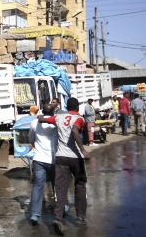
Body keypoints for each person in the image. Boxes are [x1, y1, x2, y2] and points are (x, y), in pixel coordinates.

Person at [38, 97, 90, 236]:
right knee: (80, 185)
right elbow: (74, 130)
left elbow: (42, 119)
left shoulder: (59, 117)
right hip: (76, 158)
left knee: (61, 189)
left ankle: (58, 218)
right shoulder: (79, 118)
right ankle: (81, 217)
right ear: (77, 107)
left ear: (67, 107)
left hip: (61, 157)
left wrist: (42, 112)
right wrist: (83, 150)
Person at [28, 104, 57, 225]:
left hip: (39, 159)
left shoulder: (34, 123)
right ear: (53, 112)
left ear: (42, 111)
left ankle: (34, 215)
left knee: (37, 187)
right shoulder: (56, 123)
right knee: (58, 185)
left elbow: (31, 139)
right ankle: (63, 208)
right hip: (54, 159)